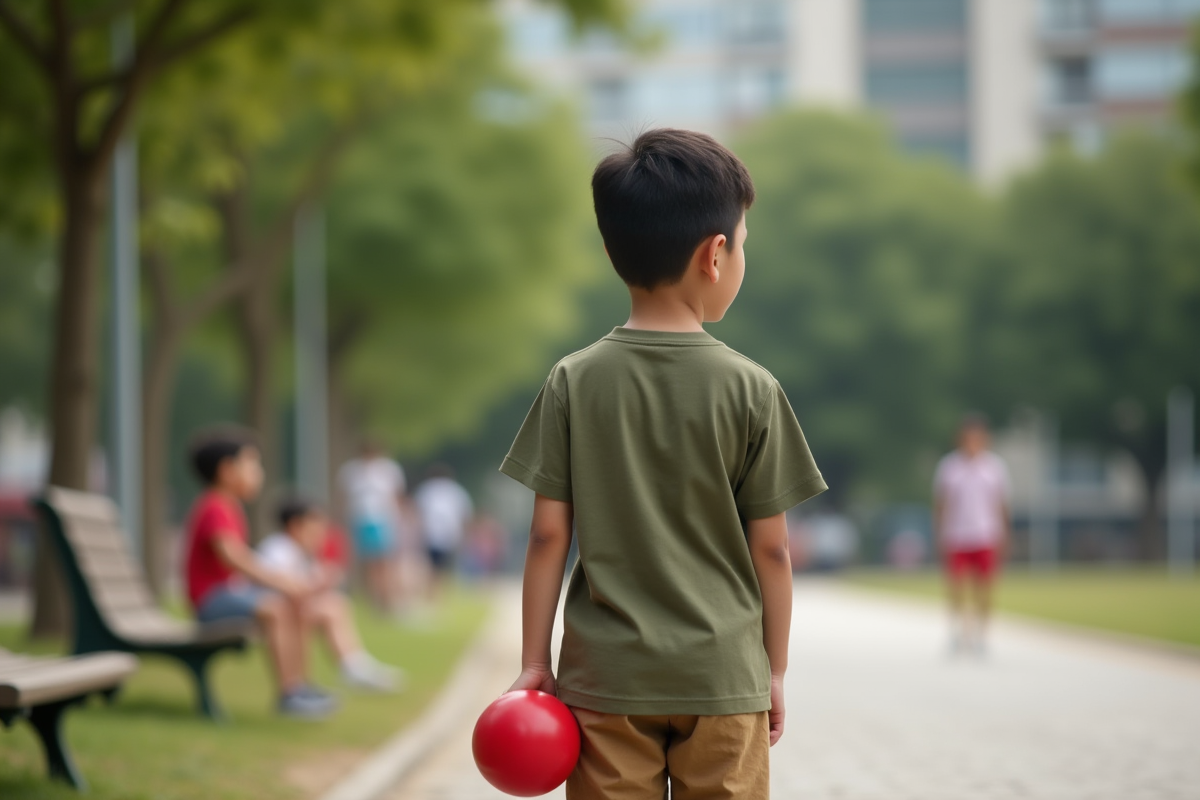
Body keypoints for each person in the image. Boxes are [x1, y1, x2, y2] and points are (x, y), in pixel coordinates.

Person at [500, 129, 826, 799]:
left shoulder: (573, 380)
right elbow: (772, 551)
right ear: (715, 255)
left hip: (606, 680)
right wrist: (774, 670)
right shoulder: (751, 388)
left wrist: (537, 662)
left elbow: (546, 537)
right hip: (723, 677)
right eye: (744, 246)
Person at [182, 428, 336, 718]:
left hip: (227, 595)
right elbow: (234, 558)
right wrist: (283, 582)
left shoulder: (228, 506)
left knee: (292, 603)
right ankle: (289, 693)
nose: (258, 473)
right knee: (276, 607)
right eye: (252, 464)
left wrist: (289, 586)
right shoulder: (215, 506)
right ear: (227, 470)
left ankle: (300, 686)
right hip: (210, 600)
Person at [258, 497, 402, 692]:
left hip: (287, 608)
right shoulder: (278, 549)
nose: (320, 533)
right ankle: (343, 670)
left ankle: (352, 665)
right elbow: (284, 589)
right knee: (332, 605)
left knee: (335, 603)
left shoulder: (298, 551)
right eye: (314, 526)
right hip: (274, 610)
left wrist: (322, 580)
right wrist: (318, 583)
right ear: (295, 525)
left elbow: (303, 585)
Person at [933, 414, 1011, 655]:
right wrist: (940, 532)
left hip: (986, 534)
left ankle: (981, 634)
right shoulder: (949, 467)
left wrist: (1005, 534)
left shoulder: (994, 467)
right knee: (956, 587)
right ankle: (958, 631)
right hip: (957, 535)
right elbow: (941, 503)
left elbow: (1001, 504)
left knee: (984, 587)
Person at [338, 440, 405, 612]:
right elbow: (345, 497)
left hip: (383, 519)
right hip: (361, 519)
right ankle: (374, 599)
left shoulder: (388, 470)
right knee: (368, 562)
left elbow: (396, 496)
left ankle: (387, 599)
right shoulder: (351, 471)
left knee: (385, 561)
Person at [412, 464, 473, 599]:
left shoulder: (426, 489)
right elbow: (464, 514)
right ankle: (436, 592)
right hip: (448, 534)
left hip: (430, 533)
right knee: (441, 566)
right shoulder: (456, 491)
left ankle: (432, 592)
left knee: (432, 565)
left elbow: (418, 512)